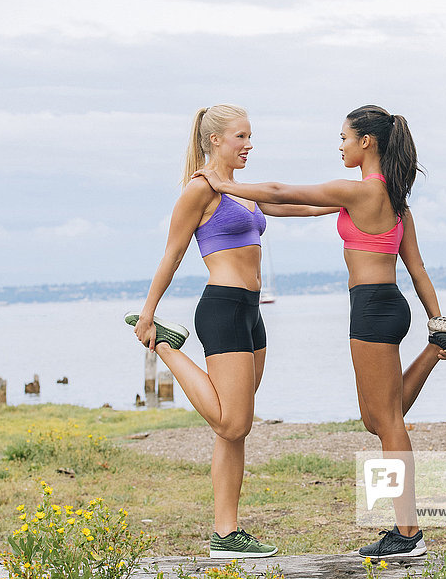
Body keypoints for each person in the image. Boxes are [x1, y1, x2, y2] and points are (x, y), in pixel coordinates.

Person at [194, 104, 446, 559]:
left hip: (372, 310)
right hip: (389, 305)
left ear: (366, 142)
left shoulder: (361, 191)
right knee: (379, 417)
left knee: (388, 423)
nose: (341, 146)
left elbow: (279, 187)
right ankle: (437, 344)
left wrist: (226, 184)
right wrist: (436, 317)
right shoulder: (394, 199)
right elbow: (415, 267)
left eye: (344, 139)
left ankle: (407, 532)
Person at [124, 104, 336, 558]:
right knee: (233, 420)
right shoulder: (199, 190)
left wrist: (344, 202)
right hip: (220, 308)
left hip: (250, 311)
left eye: (250, 136)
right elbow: (172, 254)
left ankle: (226, 532)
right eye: (241, 136)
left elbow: (289, 205)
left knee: (233, 431)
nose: (248, 144)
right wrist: (148, 313)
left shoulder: (239, 189)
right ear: (216, 139)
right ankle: (165, 344)